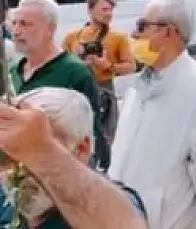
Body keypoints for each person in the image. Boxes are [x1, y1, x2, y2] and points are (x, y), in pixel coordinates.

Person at [110, 0, 196, 229]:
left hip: (167, 220)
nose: (135, 35)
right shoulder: (140, 85)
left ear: (169, 32)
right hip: (125, 215)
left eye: (143, 26)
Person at [0, 87, 148, 229]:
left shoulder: (110, 202)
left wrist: (43, 152)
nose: (23, 166)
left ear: (82, 148)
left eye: (33, 146)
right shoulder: (9, 196)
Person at [8, 0, 100, 149]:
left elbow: (92, 129)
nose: (16, 31)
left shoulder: (74, 72)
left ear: (49, 29)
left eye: (25, 24)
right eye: (14, 23)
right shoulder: (12, 70)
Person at [61, 0, 136, 171]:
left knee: (105, 136)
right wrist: (76, 58)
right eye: (104, 9)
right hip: (78, 90)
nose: (108, 14)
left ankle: (108, 171)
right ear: (90, 11)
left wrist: (107, 65)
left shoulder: (118, 37)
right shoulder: (74, 36)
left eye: (110, 10)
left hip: (104, 90)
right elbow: (60, 62)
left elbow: (130, 67)